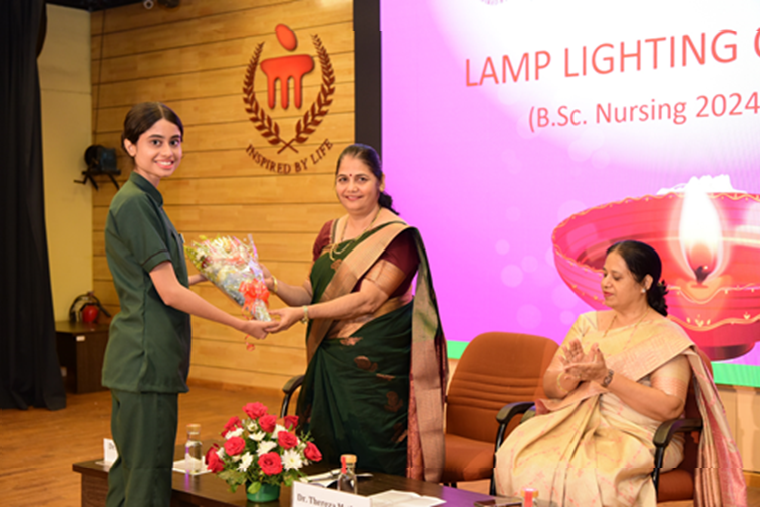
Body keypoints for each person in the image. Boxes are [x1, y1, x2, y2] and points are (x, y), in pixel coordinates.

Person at [102, 102, 275, 507]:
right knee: (146, 484)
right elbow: (169, 293)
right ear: (130, 146)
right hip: (146, 360)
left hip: (140, 360)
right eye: (155, 142)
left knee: (129, 478)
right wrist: (242, 323)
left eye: (175, 141)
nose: (168, 151)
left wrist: (224, 275)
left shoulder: (147, 201)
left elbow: (159, 283)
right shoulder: (135, 203)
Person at [494, 240, 746, 507]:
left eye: (616, 277)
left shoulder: (665, 337)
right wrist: (571, 377)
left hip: (638, 436)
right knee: (519, 455)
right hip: (572, 425)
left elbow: (670, 407)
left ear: (645, 283)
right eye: (604, 275)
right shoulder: (588, 325)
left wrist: (607, 378)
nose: (605, 283)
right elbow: (551, 386)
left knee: (585, 476)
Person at [264, 144, 448, 481]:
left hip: (375, 372)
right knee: (323, 455)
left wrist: (303, 313)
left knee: (374, 457)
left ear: (380, 181)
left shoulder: (397, 237)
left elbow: (368, 301)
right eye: (343, 179)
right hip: (329, 364)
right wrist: (273, 283)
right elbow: (309, 292)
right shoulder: (329, 232)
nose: (351, 188)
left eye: (361, 179)